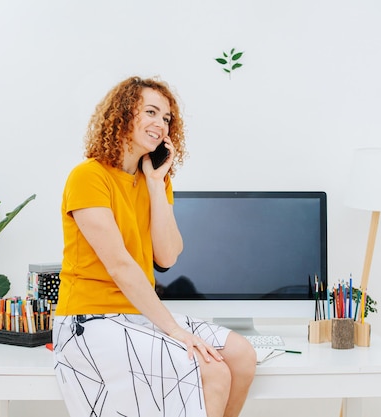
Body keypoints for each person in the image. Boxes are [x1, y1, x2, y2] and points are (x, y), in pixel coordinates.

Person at [53, 75, 256, 417]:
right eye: (150, 112)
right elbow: (120, 265)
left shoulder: (156, 181)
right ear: (123, 114)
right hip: (90, 317)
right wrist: (174, 330)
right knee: (212, 370)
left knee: (241, 355)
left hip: (137, 313)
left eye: (166, 118)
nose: (160, 124)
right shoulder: (88, 176)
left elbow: (167, 255)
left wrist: (155, 182)